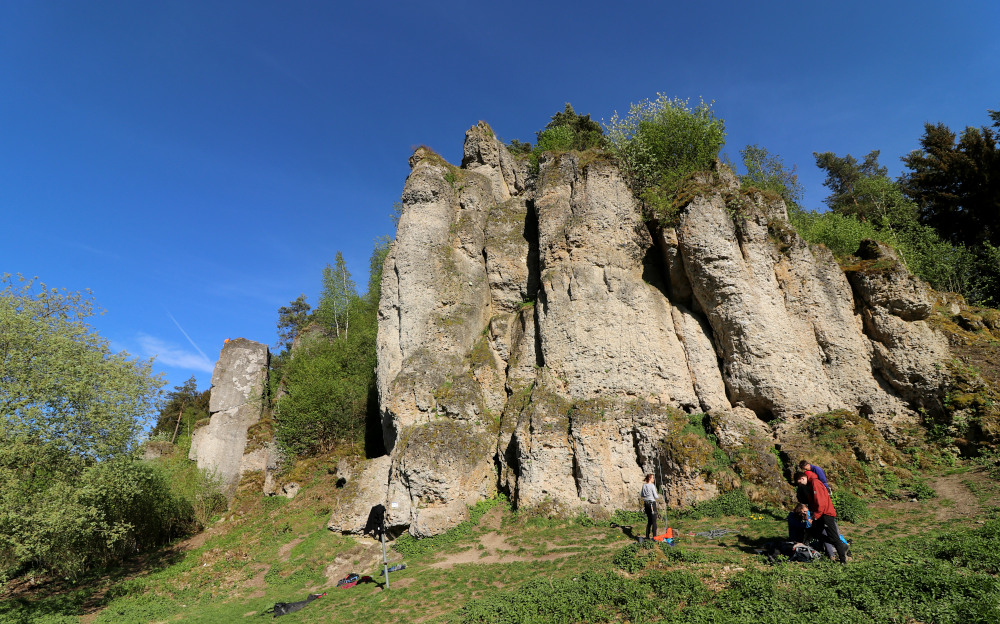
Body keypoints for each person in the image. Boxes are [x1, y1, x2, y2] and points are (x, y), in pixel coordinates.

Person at [793, 471, 848, 563]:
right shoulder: (811, 484)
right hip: (819, 514)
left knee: (833, 536)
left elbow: (821, 502)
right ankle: (837, 543)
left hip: (825, 514)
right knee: (815, 532)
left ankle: (843, 559)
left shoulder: (815, 483)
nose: (800, 485)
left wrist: (816, 516)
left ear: (802, 478)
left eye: (799, 482)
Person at [640, 473, 661, 540]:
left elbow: (642, 495)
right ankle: (654, 537)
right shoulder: (652, 486)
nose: (653, 479)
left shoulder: (644, 486)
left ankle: (647, 536)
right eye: (653, 478)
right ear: (649, 478)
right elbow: (655, 496)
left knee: (649, 521)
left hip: (646, 504)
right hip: (652, 503)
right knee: (654, 521)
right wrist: (659, 496)